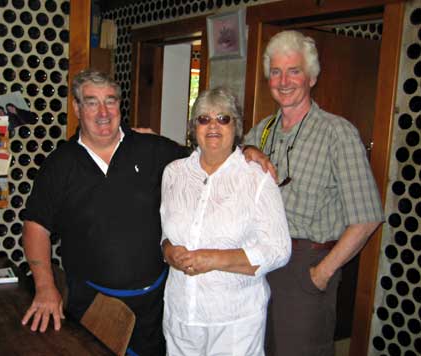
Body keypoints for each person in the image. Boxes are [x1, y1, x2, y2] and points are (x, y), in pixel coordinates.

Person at [20, 68, 188, 356]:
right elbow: (36, 226)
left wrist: (247, 152)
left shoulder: (152, 149)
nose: (103, 112)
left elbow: (206, 164)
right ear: (76, 108)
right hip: (92, 304)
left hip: (156, 305)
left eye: (110, 101)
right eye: (91, 102)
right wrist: (45, 286)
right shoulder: (60, 164)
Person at [243, 30, 384, 356]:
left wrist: (321, 273)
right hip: (259, 264)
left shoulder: (338, 133)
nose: (284, 80)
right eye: (276, 71)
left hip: (304, 267)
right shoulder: (261, 131)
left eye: (294, 70)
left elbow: (367, 217)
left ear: (311, 76)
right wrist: (246, 149)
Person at [160, 87, 291, 356]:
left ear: (236, 126)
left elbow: (278, 250)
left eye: (223, 118)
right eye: (204, 119)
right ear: (193, 127)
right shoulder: (173, 173)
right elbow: (165, 233)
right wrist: (168, 251)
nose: (213, 126)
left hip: (235, 323)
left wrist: (213, 259)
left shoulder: (257, 178)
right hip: (181, 315)